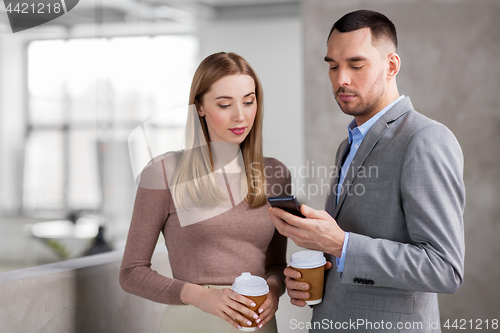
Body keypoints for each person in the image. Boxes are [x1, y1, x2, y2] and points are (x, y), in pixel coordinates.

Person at [269, 9, 465, 332]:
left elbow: (444, 268)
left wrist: (341, 244)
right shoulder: (348, 144)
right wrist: (314, 272)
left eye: (355, 65)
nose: (340, 78)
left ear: (391, 66)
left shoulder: (426, 139)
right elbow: (349, 252)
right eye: (332, 66)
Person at [120, 52, 291, 333]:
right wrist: (201, 296)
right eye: (225, 104)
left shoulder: (276, 175)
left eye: (249, 101)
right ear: (199, 107)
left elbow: (274, 264)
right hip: (193, 322)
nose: (240, 115)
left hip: (259, 326)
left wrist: (273, 290)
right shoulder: (163, 172)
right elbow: (131, 273)